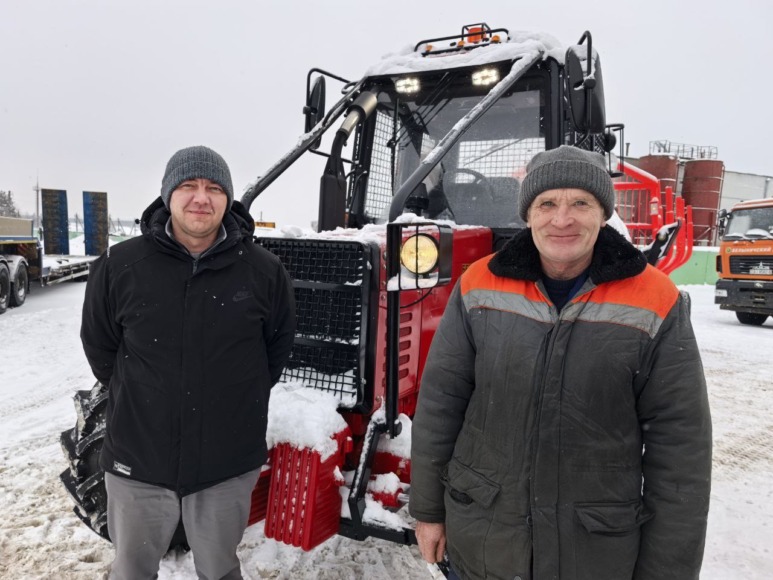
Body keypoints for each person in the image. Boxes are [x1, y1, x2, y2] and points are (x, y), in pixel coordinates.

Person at [409, 145, 712, 580]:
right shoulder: (478, 283)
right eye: (547, 203)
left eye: (581, 203)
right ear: (528, 214)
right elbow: (442, 401)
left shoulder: (656, 299)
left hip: (592, 554)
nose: (562, 219)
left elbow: (681, 449)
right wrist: (428, 512)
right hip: (484, 541)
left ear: (603, 214)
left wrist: (668, 571)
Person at [81, 145, 296, 580]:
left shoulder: (264, 271)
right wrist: (147, 396)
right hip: (138, 461)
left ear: (227, 198)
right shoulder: (121, 265)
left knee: (220, 570)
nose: (201, 198)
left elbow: (273, 353)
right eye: (189, 186)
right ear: (168, 194)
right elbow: (101, 349)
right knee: (131, 571)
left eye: (214, 188)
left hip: (225, 465)